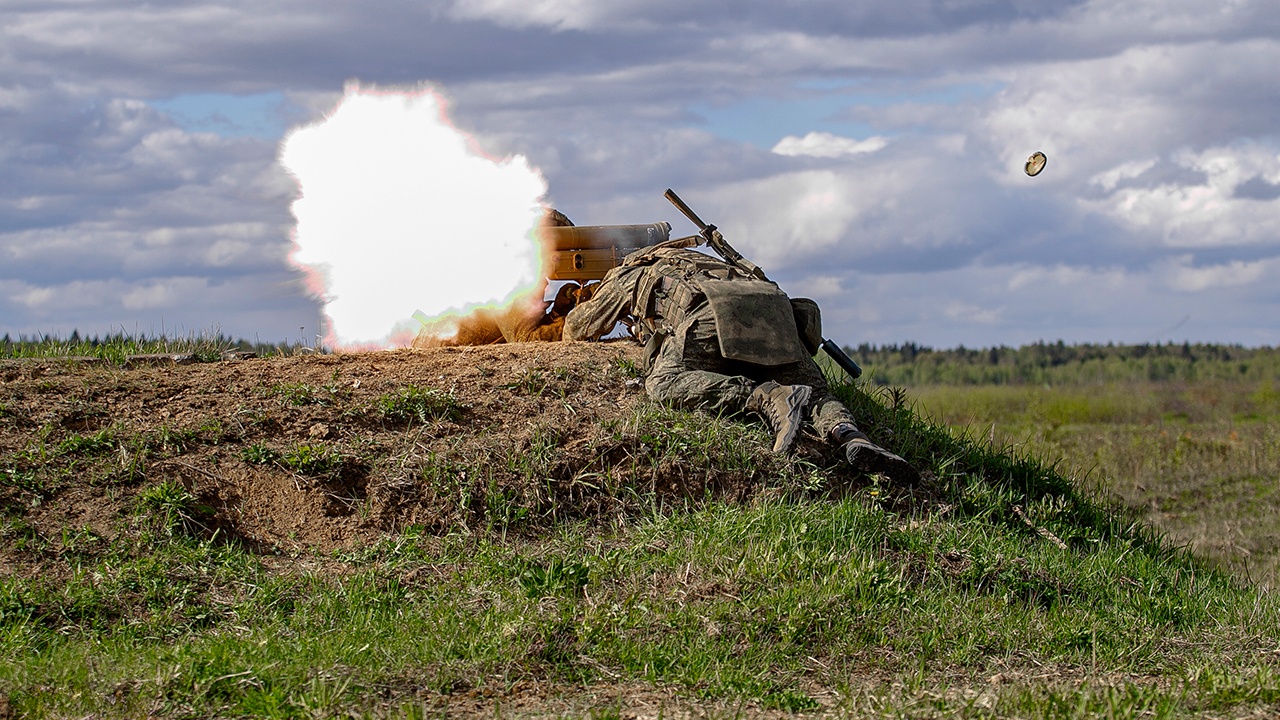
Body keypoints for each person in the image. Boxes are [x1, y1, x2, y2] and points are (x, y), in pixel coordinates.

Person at [563, 238, 917, 481]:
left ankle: (765, 397)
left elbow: (579, 329)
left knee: (663, 382)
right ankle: (850, 436)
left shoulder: (633, 270)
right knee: (819, 393)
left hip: (709, 313)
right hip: (774, 310)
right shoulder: (715, 262)